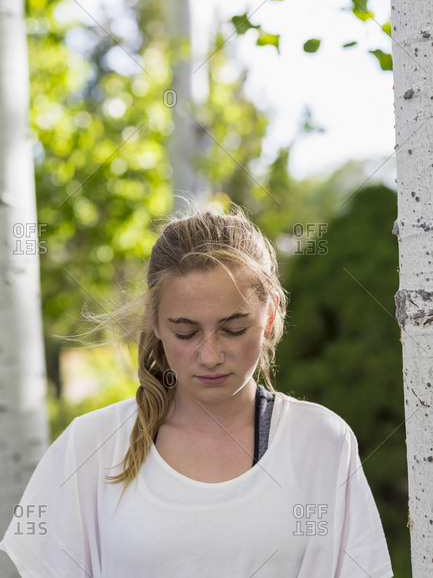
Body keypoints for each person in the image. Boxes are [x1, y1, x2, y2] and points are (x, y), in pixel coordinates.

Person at [0, 206, 394, 577]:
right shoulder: (89, 446)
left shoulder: (321, 442)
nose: (210, 355)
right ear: (154, 321)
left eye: (234, 329)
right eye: (185, 332)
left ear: (271, 313)